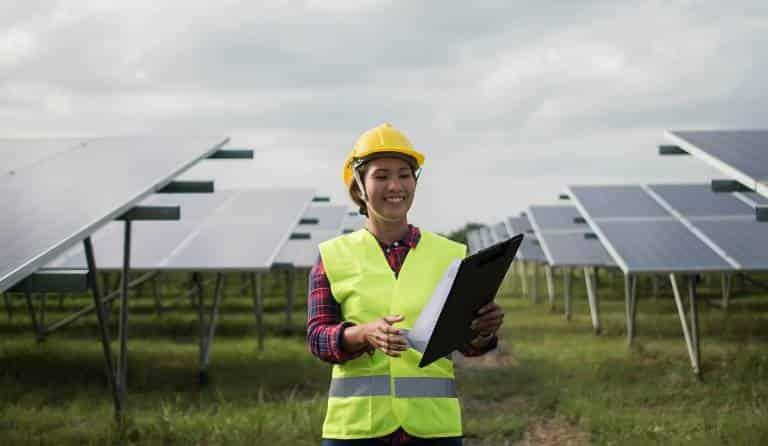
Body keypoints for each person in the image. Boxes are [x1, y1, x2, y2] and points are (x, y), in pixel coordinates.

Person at [307, 123, 505, 445]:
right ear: (359, 186)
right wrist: (362, 333)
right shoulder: (332, 257)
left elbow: (467, 345)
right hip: (356, 430)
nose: (395, 185)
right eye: (381, 176)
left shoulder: (450, 256)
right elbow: (317, 338)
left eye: (404, 174)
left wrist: (484, 330)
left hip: (434, 429)